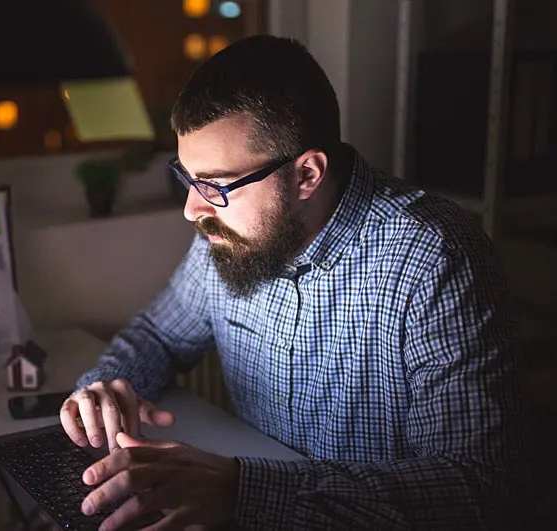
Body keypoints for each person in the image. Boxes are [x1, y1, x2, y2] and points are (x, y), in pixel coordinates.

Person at [59, 35, 523, 530]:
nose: (193, 210)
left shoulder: (435, 258)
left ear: (306, 175)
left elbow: (472, 486)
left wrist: (243, 492)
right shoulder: (228, 236)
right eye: (188, 179)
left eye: (214, 185)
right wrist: (105, 391)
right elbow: (158, 335)